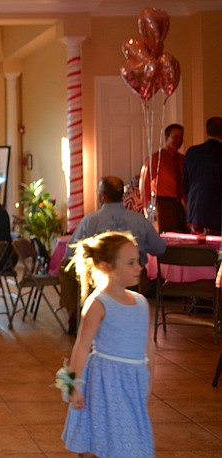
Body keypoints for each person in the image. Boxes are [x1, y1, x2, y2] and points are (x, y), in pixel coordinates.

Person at [59, 231, 155, 457]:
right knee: (102, 434)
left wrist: (151, 376)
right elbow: (82, 346)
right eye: (130, 263)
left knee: (131, 437)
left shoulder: (141, 302)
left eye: (138, 261)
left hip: (133, 381)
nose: (138, 267)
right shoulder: (98, 303)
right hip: (105, 382)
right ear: (105, 267)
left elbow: (147, 345)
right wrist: (74, 385)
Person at [60, 176, 166, 332]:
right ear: (121, 196)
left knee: (65, 267)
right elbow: (160, 249)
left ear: (103, 196)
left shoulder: (90, 221)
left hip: (99, 280)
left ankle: (76, 314)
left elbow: (70, 252)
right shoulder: (139, 220)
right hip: (133, 281)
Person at [139, 123, 186, 232]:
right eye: (175, 137)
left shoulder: (183, 160)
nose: (179, 140)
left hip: (178, 204)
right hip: (163, 203)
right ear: (166, 138)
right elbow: (144, 184)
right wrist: (147, 210)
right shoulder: (156, 158)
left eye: (181, 137)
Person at [183, 116, 222, 236]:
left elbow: (185, 183)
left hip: (195, 212)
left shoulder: (192, 152)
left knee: (199, 251)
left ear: (207, 131)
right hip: (217, 213)